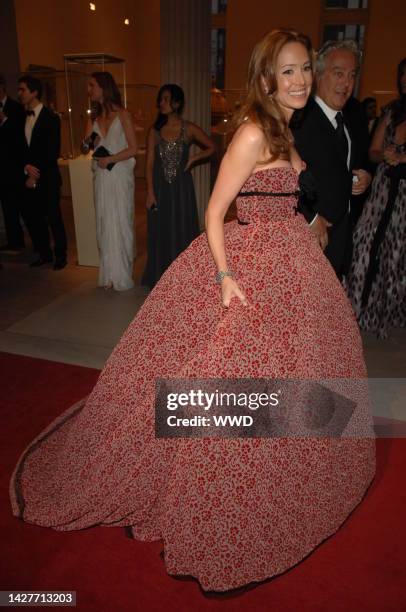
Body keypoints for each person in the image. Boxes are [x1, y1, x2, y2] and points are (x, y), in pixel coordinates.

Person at [10, 29, 375, 593]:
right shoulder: (254, 132)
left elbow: (279, 199)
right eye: (289, 71)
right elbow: (215, 212)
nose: (300, 79)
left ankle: (284, 479)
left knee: (290, 378)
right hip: (248, 270)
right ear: (266, 79)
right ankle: (214, 491)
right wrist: (225, 278)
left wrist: (311, 225)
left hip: (293, 267)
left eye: (305, 69)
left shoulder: (288, 127)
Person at [291, 39, 371, 279]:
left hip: (339, 236)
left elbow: (340, 165)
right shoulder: (301, 121)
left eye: (352, 75)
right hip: (309, 239)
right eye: (339, 74)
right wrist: (311, 217)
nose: (346, 84)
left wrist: (362, 176)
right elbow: (284, 178)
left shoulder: (347, 119)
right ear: (318, 75)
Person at [347, 58, 406, 339]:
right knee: (366, 243)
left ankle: (385, 314)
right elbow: (372, 151)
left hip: (405, 197)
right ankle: (357, 310)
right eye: (403, 74)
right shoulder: (392, 111)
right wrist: (385, 154)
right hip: (382, 191)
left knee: (396, 256)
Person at [141, 84, 215, 289]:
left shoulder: (188, 128)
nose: (161, 103)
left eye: (165, 99)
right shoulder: (155, 131)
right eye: (161, 99)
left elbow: (212, 146)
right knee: (160, 230)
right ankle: (161, 277)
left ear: (176, 103)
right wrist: (149, 192)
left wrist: (194, 157)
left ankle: (184, 278)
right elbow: (148, 164)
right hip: (160, 189)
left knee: (181, 229)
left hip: (182, 190)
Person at [83, 72, 137, 291]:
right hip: (102, 177)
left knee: (122, 223)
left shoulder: (123, 114)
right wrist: (88, 142)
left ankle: (122, 274)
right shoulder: (93, 117)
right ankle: (108, 276)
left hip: (119, 175)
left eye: (92, 85)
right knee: (104, 223)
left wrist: (111, 159)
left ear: (104, 88)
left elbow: (133, 148)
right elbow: (86, 147)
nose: (89, 90)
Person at [17, 75, 67, 270]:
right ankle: (44, 253)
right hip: (28, 175)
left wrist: (34, 173)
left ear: (34, 92)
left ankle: (60, 255)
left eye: (22, 89)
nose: (19, 94)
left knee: (54, 217)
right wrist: (25, 168)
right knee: (35, 218)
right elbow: (18, 149)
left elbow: (52, 151)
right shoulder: (20, 118)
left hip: (48, 176)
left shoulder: (51, 118)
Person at [0, 74, 26, 251]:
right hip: (1, 167)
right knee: (7, 206)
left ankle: (30, 241)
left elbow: (19, 136)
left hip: (15, 166)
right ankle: (13, 241)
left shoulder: (15, 108)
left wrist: (4, 119)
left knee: (22, 205)